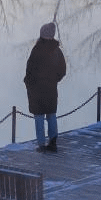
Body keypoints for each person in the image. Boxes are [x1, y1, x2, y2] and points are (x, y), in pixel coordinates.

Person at [24, 22, 67, 153]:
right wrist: (54, 80)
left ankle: (41, 144)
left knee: (38, 117)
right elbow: (63, 70)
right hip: (51, 89)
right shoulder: (57, 50)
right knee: (51, 115)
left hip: (37, 90)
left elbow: (30, 69)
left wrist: (29, 83)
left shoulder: (37, 49)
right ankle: (53, 143)